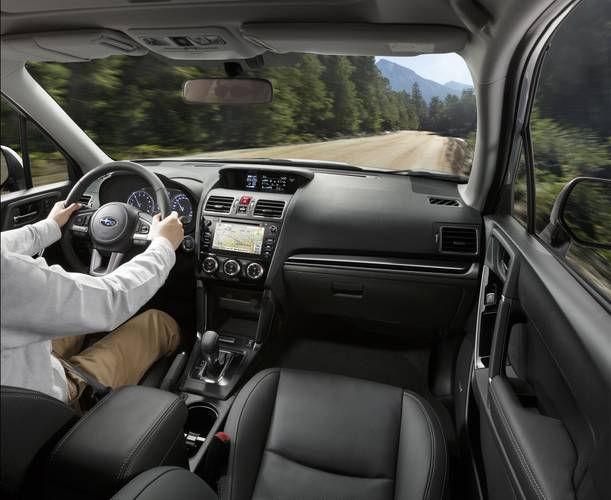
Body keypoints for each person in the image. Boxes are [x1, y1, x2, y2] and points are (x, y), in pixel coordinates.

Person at [1, 200, 184, 411]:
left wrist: (48, 227)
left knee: (82, 320)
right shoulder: (7, 281)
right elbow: (112, 299)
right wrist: (164, 245)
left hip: (15, 374)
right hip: (46, 406)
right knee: (159, 322)